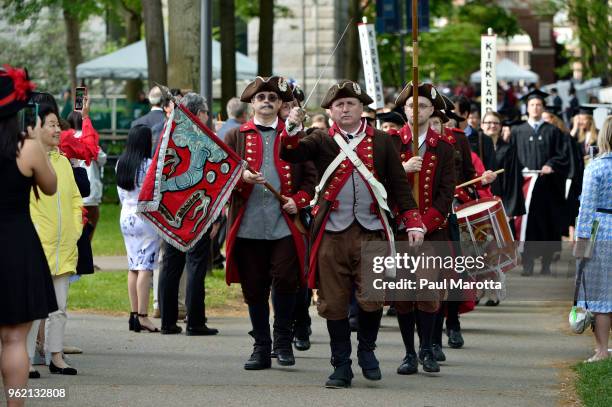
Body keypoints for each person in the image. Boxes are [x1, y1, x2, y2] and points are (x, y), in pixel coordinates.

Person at [281, 79, 425, 388]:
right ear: (330, 111)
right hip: (331, 234)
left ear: (363, 108)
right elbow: (290, 154)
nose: (345, 108)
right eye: (339, 105)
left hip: (372, 231)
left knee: (372, 298)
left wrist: (413, 220)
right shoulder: (319, 139)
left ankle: (367, 351)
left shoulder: (383, 142)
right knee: (333, 302)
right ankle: (341, 363)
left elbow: (399, 186)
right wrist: (291, 126)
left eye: (351, 103)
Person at [224, 76, 316, 370]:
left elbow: (311, 180)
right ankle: (261, 346)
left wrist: (298, 200)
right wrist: (242, 178)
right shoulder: (235, 137)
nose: (267, 102)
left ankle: (283, 341)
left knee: (288, 282)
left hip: (284, 225)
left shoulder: (295, 137)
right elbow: (221, 177)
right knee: (254, 287)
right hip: (248, 224)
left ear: (280, 105)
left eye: (273, 99)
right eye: (261, 97)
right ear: (251, 103)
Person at [0, 66, 58, 402]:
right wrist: (38, 142)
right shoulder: (27, 148)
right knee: (13, 340)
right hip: (16, 246)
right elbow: (49, 187)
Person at [392, 82, 456, 375]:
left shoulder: (442, 147)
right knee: (404, 295)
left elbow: (446, 193)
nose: (416, 109)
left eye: (424, 106)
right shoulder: (390, 144)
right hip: (400, 231)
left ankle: (428, 348)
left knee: (429, 293)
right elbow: (380, 186)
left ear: (432, 111)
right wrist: (401, 170)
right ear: (403, 110)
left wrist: (424, 224)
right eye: (410, 105)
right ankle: (408, 353)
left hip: (432, 232)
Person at [29, 103, 83, 376]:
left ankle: (56, 356)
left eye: (58, 125)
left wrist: (75, 229)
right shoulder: (28, 160)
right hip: (37, 246)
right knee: (33, 309)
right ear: (37, 128)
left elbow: (75, 198)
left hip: (64, 246)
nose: (57, 130)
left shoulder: (63, 162)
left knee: (59, 308)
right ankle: (25, 360)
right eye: (51, 124)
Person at [158, 93, 218, 337]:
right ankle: (194, 321)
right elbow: (201, 176)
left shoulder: (168, 133)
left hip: (171, 208)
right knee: (194, 266)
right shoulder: (202, 137)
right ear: (200, 113)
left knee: (171, 265)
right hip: (196, 210)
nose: (208, 117)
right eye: (206, 112)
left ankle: (167, 320)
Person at [510, 89, 569, 276]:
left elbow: (562, 155)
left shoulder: (552, 130)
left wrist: (551, 165)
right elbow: (511, 157)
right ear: (527, 108)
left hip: (547, 188)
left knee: (547, 226)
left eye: (538, 105)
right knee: (527, 226)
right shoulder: (518, 131)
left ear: (543, 107)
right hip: (525, 187)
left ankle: (546, 264)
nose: (535, 108)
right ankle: (527, 265)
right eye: (532, 105)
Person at [574, 115, 612, 363]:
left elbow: (586, 207)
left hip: (602, 230)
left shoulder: (596, 167)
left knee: (601, 294)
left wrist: (581, 239)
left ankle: (601, 349)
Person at [117, 125, 161, 333]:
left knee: (133, 264)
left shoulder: (121, 164)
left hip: (126, 215)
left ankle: (134, 314)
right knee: (146, 266)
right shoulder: (150, 166)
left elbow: (121, 194)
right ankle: (143, 316)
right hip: (145, 216)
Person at [481, 111, 525, 220]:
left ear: (501, 126)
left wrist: (509, 210)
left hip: (501, 201)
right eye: (488, 122)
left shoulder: (508, 150)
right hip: (480, 201)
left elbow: (512, 180)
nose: (492, 126)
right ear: (482, 125)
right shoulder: (475, 147)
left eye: (496, 123)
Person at [454, 96, 495, 171]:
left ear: (465, 114)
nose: (448, 118)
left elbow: (491, 173)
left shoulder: (484, 139)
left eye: (453, 114)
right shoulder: (443, 138)